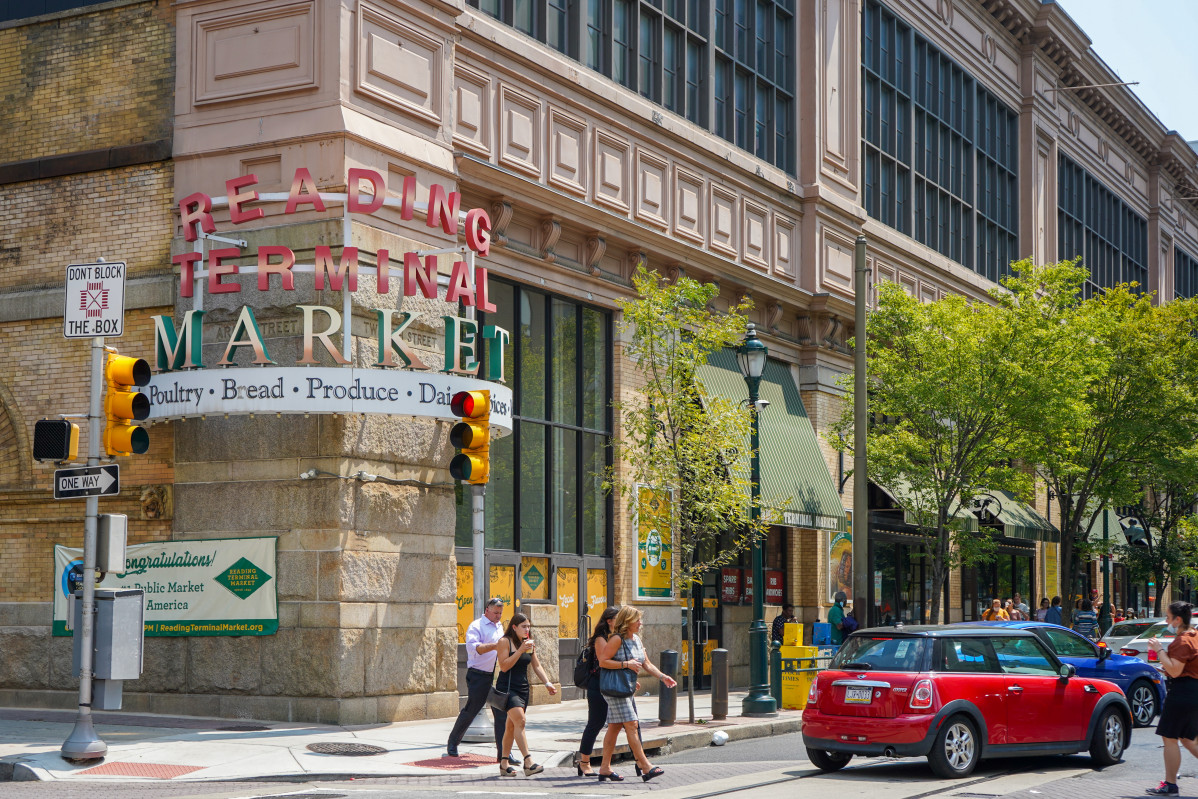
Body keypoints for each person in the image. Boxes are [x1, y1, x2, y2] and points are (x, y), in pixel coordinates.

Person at [597, 605, 676, 782]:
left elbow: (646, 663)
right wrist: (626, 665)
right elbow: (603, 661)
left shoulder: (637, 640)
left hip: (625, 688)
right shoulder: (616, 639)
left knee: (615, 727)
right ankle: (646, 766)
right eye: (637, 620)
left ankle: (604, 768)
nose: (640, 623)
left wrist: (663, 677)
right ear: (627, 621)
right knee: (632, 724)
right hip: (615, 690)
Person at [1145, 601, 1198, 796]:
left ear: (1178, 619)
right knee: (1189, 739)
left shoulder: (1182, 641)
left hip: (1182, 692)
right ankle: (1170, 783)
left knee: (1170, 738)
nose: (1166, 621)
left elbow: (1175, 671)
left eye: (1168, 617)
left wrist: (1159, 650)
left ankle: (1170, 784)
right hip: (1192, 691)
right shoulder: (1194, 636)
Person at [494, 612, 557, 777]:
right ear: (514, 627)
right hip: (507, 688)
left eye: (528, 626)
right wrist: (520, 650)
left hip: (523, 688)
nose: (527, 629)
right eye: (523, 626)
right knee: (520, 721)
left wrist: (547, 683)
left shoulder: (528, 643)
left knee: (511, 726)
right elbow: (505, 666)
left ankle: (504, 763)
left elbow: (536, 666)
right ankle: (528, 762)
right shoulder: (504, 642)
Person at [446, 597, 508, 760]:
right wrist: (496, 645)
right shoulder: (476, 626)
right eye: (495, 613)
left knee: (501, 714)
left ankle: (504, 754)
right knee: (471, 710)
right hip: (478, 675)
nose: (498, 616)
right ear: (487, 610)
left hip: (495, 675)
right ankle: (453, 743)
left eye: (500, 613)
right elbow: (476, 649)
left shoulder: (499, 626)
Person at [575, 606, 619, 777]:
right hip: (598, 685)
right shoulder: (600, 639)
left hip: (612, 685)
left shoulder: (615, 637)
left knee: (626, 722)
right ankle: (584, 762)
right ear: (609, 621)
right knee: (596, 723)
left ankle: (640, 762)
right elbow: (603, 663)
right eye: (618, 618)